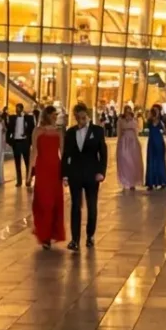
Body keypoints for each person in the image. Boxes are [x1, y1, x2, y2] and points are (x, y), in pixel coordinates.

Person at [61, 103, 108, 251]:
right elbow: (66, 155)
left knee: (92, 205)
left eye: (82, 117)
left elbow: (103, 153)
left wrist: (101, 172)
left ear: (87, 116)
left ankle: (90, 235)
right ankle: (75, 239)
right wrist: (65, 174)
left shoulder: (97, 131)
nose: (80, 120)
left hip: (92, 174)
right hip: (75, 174)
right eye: (78, 118)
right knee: (75, 205)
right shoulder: (70, 132)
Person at [30, 106, 66, 248]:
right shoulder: (37, 131)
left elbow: (62, 152)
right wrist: (29, 174)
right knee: (43, 202)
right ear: (46, 115)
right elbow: (34, 152)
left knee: (54, 203)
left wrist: (65, 172)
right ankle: (44, 235)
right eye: (52, 115)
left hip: (55, 169)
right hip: (42, 168)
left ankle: (51, 234)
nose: (55, 117)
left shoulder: (59, 131)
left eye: (56, 115)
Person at [114, 103, 145, 192]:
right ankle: (125, 181)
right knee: (124, 161)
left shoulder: (134, 120)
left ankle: (132, 182)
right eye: (126, 111)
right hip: (124, 142)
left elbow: (138, 130)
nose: (128, 113)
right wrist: (119, 143)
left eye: (129, 111)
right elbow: (119, 132)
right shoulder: (121, 120)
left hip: (133, 142)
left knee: (133, 162)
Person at [5, 103, 35, 187]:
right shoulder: (12, 118)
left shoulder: (29, 118)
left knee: (27, 162)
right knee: (17, 163)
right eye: (16, 109)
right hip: (16, 142)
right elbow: (9, 130)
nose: (17, 110)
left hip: (25, 142)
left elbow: (32, 130)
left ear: (22, 109)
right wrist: (9, 141)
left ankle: (28, 180)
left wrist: (30, 141)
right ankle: (19, 181)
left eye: (18, 109)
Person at [144, 105, 166, 191]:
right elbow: (147, 119)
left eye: (157, 110)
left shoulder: (161, 121)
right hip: (151, 143)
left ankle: (162, 181)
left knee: (160, 161)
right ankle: (151, 182)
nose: (155, 112)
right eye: (154, 110)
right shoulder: (150, 120)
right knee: (151, 161)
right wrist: (151, 114)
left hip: (159, 142)